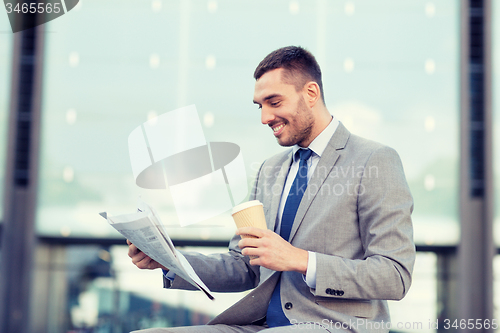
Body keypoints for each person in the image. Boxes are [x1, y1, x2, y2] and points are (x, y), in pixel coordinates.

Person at [128, 46, 415, 333]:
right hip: (262, 325)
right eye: (260, 106)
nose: (265, 117)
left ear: (311, 94)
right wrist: (169, 261)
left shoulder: (374, 160)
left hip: (335, 326)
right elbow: (244, 266)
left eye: (274, 102)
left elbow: (395, 274)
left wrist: (301, 260)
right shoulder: (270, 169)